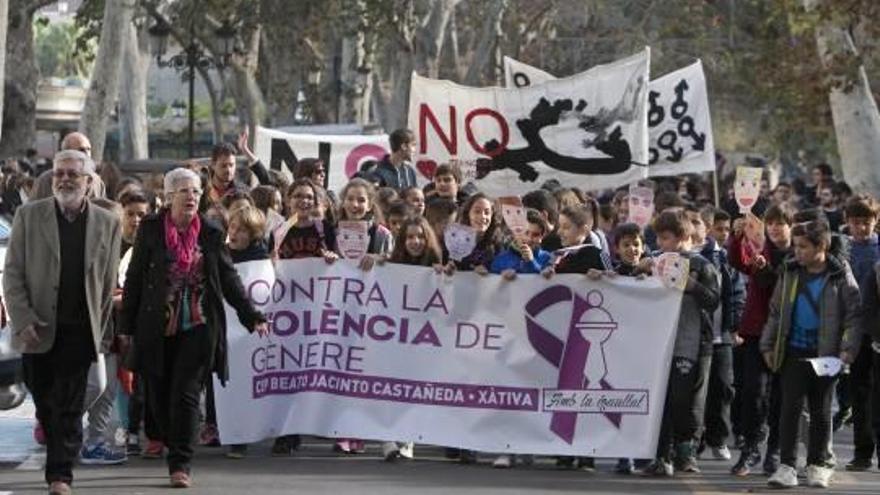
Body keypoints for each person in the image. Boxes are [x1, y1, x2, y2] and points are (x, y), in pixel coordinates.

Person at [119, 167, 269, 489]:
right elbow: (134, 281)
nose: (192, 197)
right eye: (185, 191)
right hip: (156, 327)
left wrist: (252, 315)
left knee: (186, 395)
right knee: (158, 398)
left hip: (199, 325)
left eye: (197, 192)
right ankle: (166, 438)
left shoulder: (212, 232)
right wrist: (126, 326)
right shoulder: (150, 229)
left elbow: (228, 279)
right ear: (169, 196)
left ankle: (181, 463)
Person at [3, 149, 121, 495]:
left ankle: (60, 475)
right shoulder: (28, 215)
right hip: (37, 327)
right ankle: (58, 448)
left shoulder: (107, 222)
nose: (65, 179)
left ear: (88, 181)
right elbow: (13, 274)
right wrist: (22, 319)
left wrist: (101, 328)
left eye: (73, 174)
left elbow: (106, 278)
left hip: (79, 329)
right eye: (60, 174)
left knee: (69, 405)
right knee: (45, 402)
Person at [762, 219, 860, 489]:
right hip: (794, 352)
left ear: (823, 246)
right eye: (795, 246)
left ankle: (817, 465)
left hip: (827, 356)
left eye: (803, 247)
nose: (797, 252)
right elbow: (776, 311)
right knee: (790, 408)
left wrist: (847, 349)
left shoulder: (840, 274)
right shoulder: (790, 271)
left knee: (821, 411)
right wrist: (768, 346)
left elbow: (853, 316)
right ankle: (787, 466)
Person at [644, 210, 719, 477]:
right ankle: (661, 455)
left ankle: (686, 451)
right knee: (661, 400)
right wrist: (636, 270)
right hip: (659, 343)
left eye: (665, 238)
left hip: (689, 343)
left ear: (683, 237)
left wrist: (691, 286)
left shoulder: (702, 265)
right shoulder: (653, 261)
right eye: (659, 238)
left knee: (682, 399)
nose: (661, 243)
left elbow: (713, 300)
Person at [728, 204, 794, 477]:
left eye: (782, 223)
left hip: (789, 334)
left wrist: (769, 269)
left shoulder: (800, 252)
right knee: (753, 391)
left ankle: (775, 450)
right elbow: (737, 260)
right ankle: (750, 448)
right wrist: (738, 237)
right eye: (772, 223)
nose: (776, 228)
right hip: (757, 331)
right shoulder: (760, 248)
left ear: (791, 226)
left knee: (782, 396)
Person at [373, 215, 444, 461]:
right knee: (390, 388)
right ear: (402, 241)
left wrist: (446, 277)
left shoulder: (438, 266)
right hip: (394, 338)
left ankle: (408, 439)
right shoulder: (389, 265)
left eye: (420, 237)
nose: (415, 242)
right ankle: (387, 440)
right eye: (410, 237)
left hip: (423, 341)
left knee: (415, 390)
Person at [840, 197, 879, 471]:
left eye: (866, 222)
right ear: (847, 221)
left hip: (878, 328)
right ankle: (862, 453)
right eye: (856, 222)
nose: (861, 228)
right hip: (854, 329)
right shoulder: (843, 249)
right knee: (859, 391)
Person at [489, 209, 553, 278]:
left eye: (535, 234)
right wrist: (501, 276)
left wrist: (530, 262)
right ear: (514, 233)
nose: (529, 238)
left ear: (542, 237)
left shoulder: (547, 259)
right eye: (525, 233)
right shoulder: (500, 259)